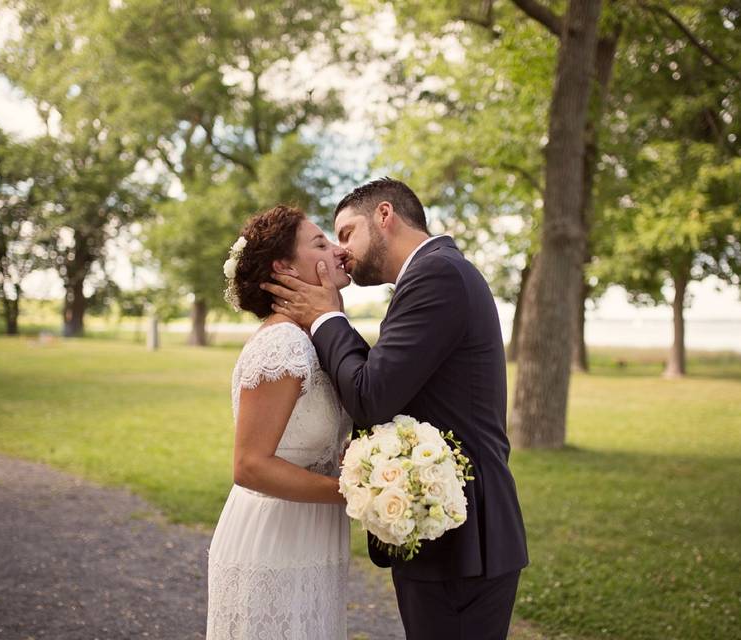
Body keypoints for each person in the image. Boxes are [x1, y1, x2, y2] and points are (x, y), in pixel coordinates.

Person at [263, 177, 529, 640]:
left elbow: (371, 394)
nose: (340, 252)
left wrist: (327, 317)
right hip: (446, 530)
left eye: (345, 233)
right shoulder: (438, 272)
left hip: (467, 541)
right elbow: (391, 382)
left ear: (384, 215)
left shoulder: (437, 275)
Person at [206, 205, 354, 639]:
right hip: (273, 540)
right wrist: (354, 492)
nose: (338, 249)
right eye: (320, 243)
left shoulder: (316, 337)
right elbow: (250, 465)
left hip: (313, 538)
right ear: (284, 267)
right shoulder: (284, 344)